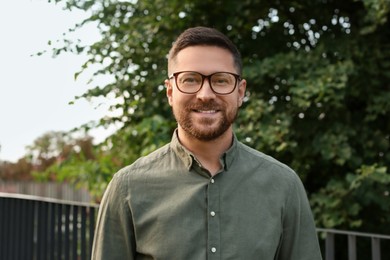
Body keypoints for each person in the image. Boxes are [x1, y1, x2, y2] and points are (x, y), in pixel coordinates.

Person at [91, 26, 322, 260]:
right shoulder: (128, 188)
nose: (205, 94)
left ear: (240, 92)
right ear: (170, 92)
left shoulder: (283, 185)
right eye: (190, 79)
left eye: (221, 80)